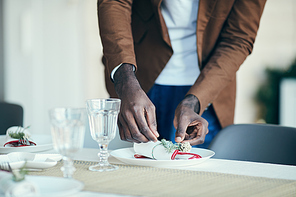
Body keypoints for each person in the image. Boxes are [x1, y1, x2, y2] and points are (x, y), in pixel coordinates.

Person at [97, 0, 266, 148]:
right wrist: (125, 81)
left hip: (208, 91)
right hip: (138, 82)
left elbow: (239, 38)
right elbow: (115, 2)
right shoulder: (129, 84)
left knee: (198, 179)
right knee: (134, 176)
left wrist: (195, 102)